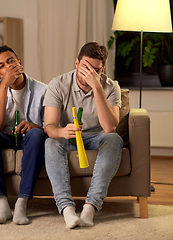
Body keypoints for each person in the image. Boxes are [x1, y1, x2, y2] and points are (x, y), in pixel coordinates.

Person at [43, 42, 123, 229]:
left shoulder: (112, 87)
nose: (88, 73)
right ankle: (67, 210)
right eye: (85, 67)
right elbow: (49, 127)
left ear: (101, 69)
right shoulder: (58, 84)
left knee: (114, 139)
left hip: (98, 138)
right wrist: (63, 131)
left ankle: (90, 208)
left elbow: (110, 127)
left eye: (95, 70)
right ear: (77, 63)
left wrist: (97, 88)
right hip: (68, 138)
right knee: (50, 143)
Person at [0, 45, 46, 225]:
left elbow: (50, 128)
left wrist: (34, 126)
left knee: (37, 135)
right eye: (1, 66)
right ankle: (2, 205)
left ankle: (21, 203)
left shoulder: (43, 90)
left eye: (10, 61)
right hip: (5, 136)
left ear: (20, 63)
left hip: (29, 137)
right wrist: (3, 87)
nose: (7, 67)